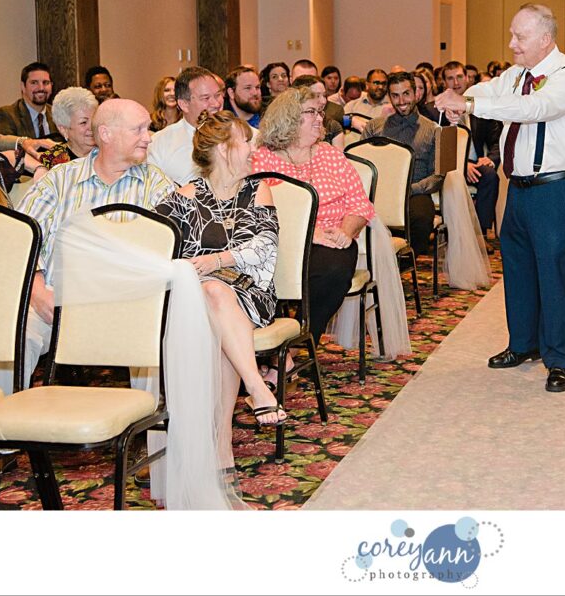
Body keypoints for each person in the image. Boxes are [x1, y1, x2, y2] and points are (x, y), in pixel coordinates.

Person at [435, 3, 565, 394]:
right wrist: (462, 100)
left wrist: (469, 104)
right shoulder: (516, 75)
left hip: (559, 189)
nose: (512, 43)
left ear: (545, 38)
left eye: (519, 37)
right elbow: (488, 91)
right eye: (512, 34)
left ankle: (561, 359)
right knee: (519, 269)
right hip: (520, 188)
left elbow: (533, 109)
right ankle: (524, 344)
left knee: (558, 274)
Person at [14, 99, 176, 396]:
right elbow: (21, 235)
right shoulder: (60, 180)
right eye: (138, 129)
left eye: (148, 128)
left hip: (128, 300)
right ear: (106, 134)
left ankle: (156, 433)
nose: (148, 136)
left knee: (157, 328)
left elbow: (167, 249)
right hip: (56, 298)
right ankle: (3, 436)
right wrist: (37, 289)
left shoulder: (155, 184)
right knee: (16, 331)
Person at [154, 111, 285, 429]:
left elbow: (265, 248)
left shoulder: (256, 192)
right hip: (196, 299)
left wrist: (217, 261)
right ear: (224, 149)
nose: (254, 150)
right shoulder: (183, 198)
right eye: (246, 142)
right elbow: (155, 244)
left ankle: (251, 390)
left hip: (250, 292)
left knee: (215, 295)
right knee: (214, 303)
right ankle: (253, 390)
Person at [252, 87, 375, 378]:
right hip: (281, 243)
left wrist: (347, 230)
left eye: (320, 112)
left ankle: (291, 350)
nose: (320, 119)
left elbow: (360, 203)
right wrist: (308, 235)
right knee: (262, 272)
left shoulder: (331, 156)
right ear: (288, 118)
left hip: (332, 240)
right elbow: (256, 212)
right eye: (311, 113)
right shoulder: (262, 160)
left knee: (333, 270)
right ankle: (270, 351)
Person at [361, 71, 444, 254]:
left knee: (421, 217)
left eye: (406, 94)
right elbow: (361, 166)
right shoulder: (374, 127)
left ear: (416, 94)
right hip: (379, 192)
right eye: (395, 95)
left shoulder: (432, 129)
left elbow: (438, 175)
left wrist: (410, 189)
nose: (401, 101)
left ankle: (409, 261)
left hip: (415, 192)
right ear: (389, 97)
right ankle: (374, 261)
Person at [438, 61, 503, 238]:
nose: (456, 82)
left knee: (490, 175)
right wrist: (461, 165)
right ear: (444, 82)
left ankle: (480, 234)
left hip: (476, 163)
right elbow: (437, 147)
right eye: (450, 78)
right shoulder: (436, 110)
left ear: (467, 78)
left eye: (459, 77)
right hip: (447, 165)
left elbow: (497, 140)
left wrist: (490, 159)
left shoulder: (479, 107)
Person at [148, 66, 224, 184]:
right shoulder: (159, 144)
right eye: (206, 98)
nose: (216, 103)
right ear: (184, 104)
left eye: (218, 95)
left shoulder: (246, 136)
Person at [0, 61, 64, 142]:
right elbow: (5, 150)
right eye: (34, 83)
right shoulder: (6, 115)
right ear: (23, 86)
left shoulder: (58, 113)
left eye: (45, 83)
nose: (41, 88)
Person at [37, 87, 98, 168]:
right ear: (63, 129)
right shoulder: (52, 160)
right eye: (83, 122)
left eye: (94, 119)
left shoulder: (108, 151)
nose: (92, 127)